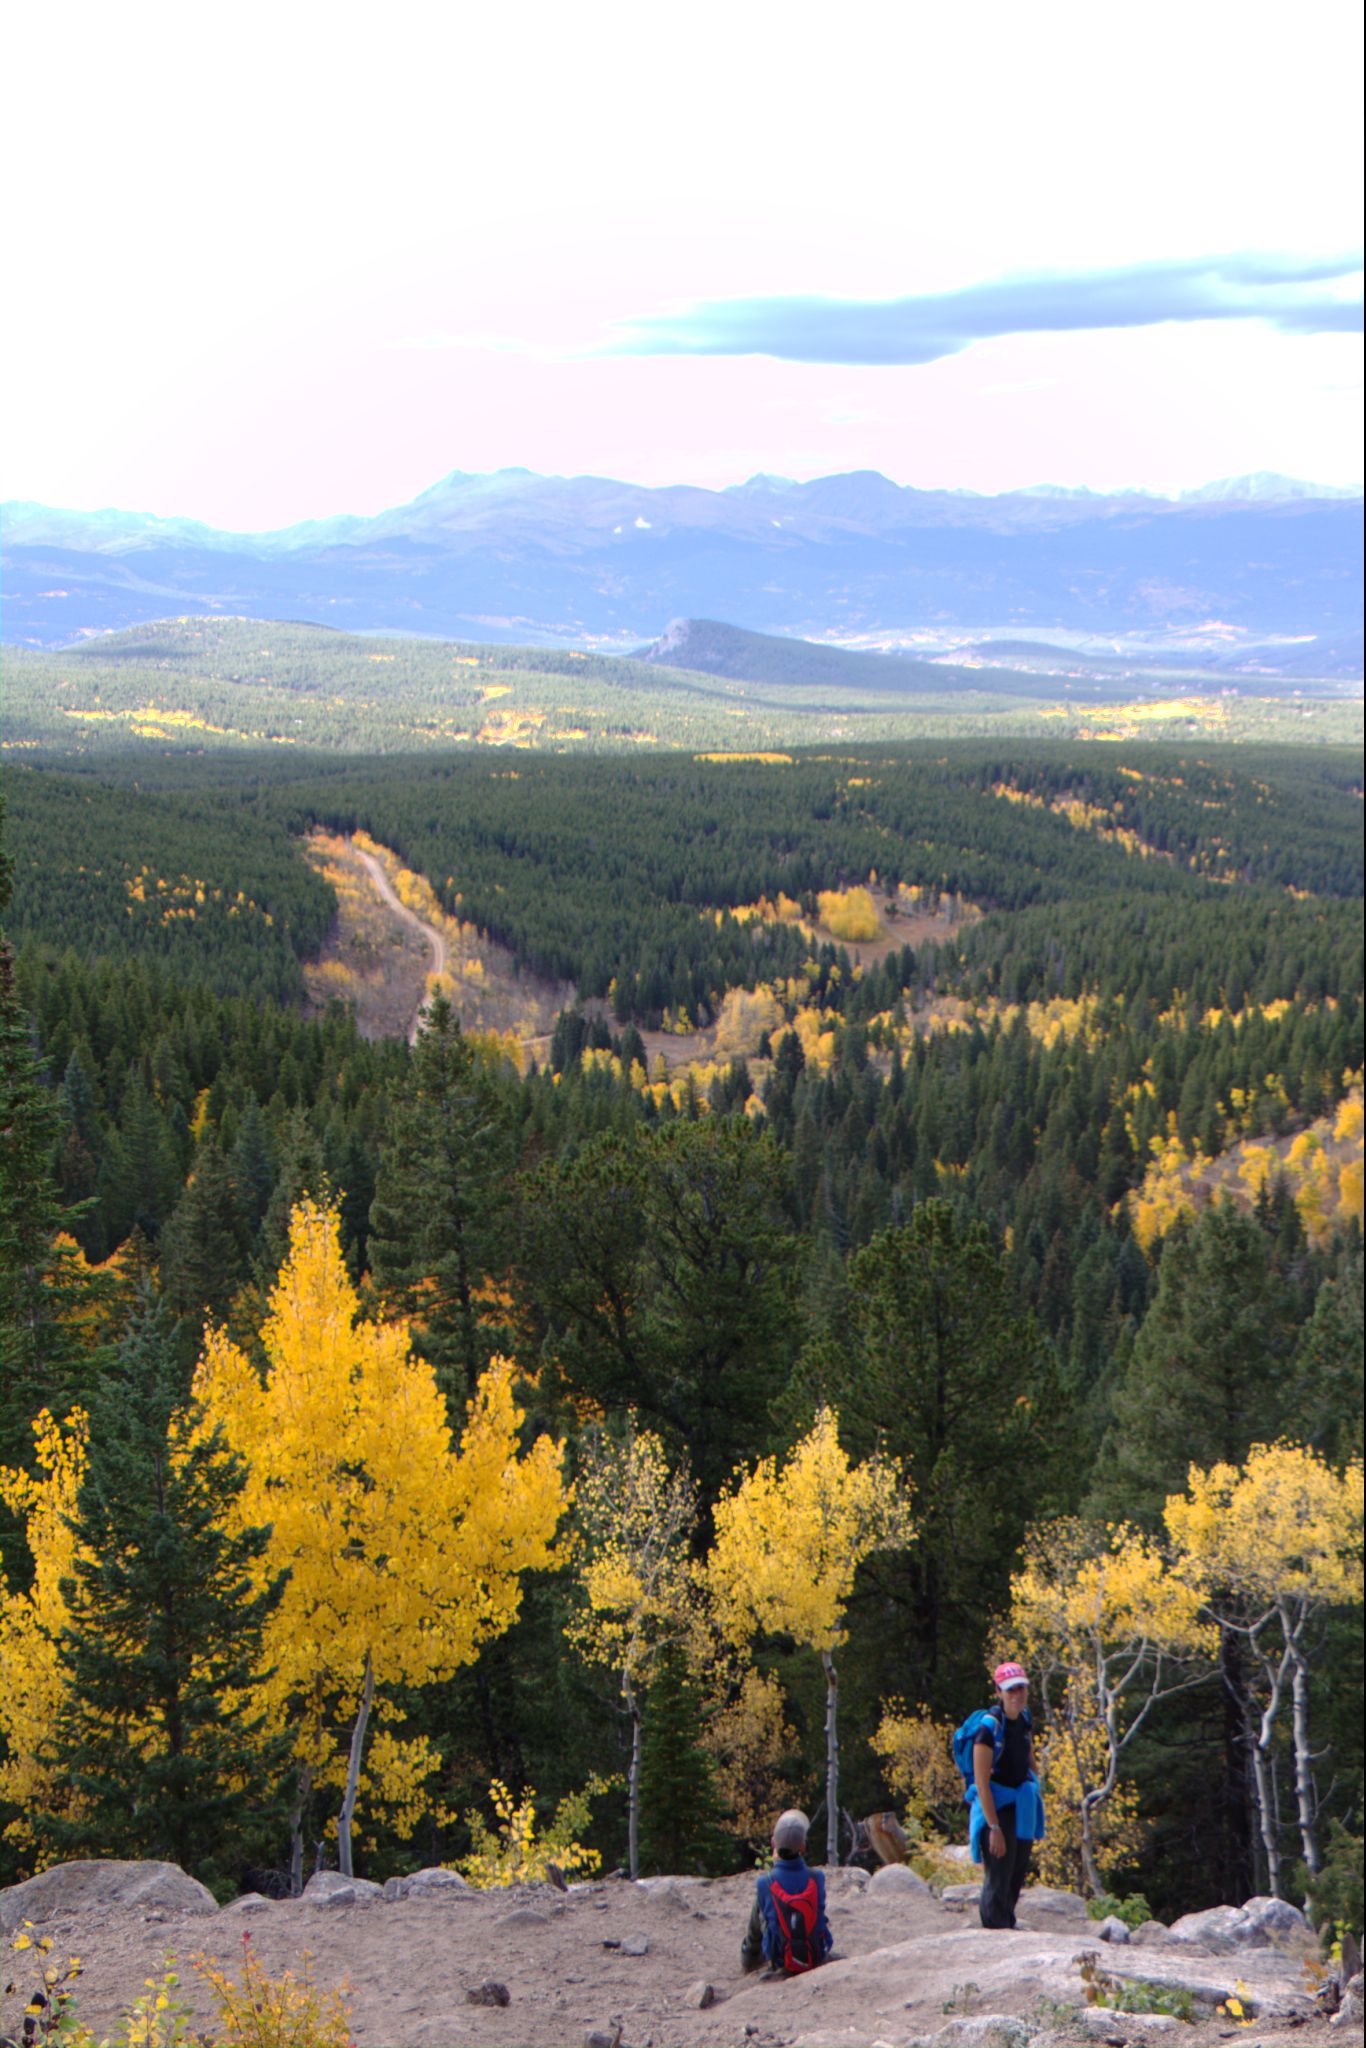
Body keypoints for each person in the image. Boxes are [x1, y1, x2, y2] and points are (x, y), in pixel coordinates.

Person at [970, 1660, 1045, 1930]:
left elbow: (1027, 1754)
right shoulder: (988, 1730)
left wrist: (1037, 1783)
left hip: (1021, 1802)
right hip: (996, 1805)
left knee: (1017, 1866)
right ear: (999, 1691)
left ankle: (1007, 1921)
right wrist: (993, 1827)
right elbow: (981, 1783)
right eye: (1010, 1689)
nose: (1017, 1694)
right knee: (999, 1869)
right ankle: (994, 1925)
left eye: (1021, 1688)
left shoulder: (1024, 1719)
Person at [740, 1809, 833, 1975]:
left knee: (760, 1908)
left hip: (781, 1958)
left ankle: (750, 1957)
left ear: (773, 1843)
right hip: (816, 1954)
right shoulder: (817, 1877)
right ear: (803, 1847)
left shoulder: (765, 1882)